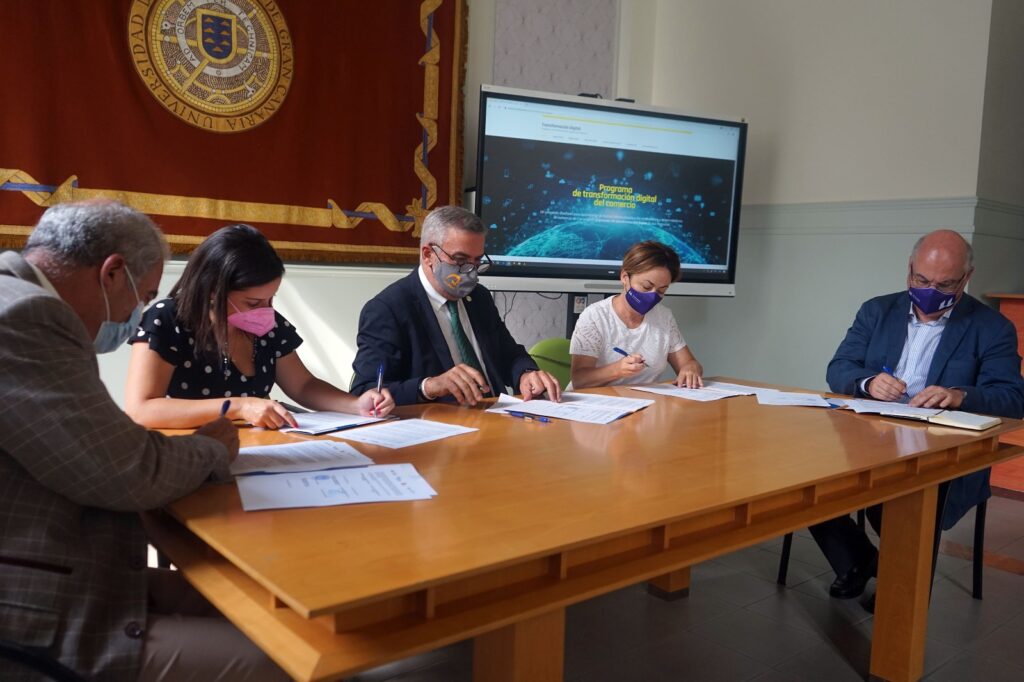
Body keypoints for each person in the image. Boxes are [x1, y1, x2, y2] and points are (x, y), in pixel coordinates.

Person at [0, 200, 286, 679]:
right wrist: (213, 447)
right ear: (113, 272)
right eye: (144, 294)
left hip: (71, 562)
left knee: (265, 607)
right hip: (34, 596)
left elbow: (99, 444)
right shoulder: (28, 314)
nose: (136, 314)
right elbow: (127, 469)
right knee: (285, 658)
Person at [811, 229, 1024, 604]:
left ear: (967, 277)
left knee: (901, 497)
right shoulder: (877, 311)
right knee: (808, 478)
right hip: (868, 435)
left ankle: (899, 592)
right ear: (909, 269)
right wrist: (868, 382)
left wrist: (959, 395)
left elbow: (1013, 398)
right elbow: (839, 367)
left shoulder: (991, 328)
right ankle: (859, 559)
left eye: (945, 284)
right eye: (922, 280)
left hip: (943, 448)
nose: (930, 291)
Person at [125, 224, 394, 428]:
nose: (266, 310)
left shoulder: (268, 325)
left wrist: (356, 404)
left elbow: (303, 385)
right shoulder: (167, 320)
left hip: (260, 450)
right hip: (192, 452)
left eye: (271, 299)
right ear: (213, 291)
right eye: (253, 302)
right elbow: (141, 409)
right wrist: (238, 407)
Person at [351, 205, 561, 406]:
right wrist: (429, 387)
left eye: (477, 262)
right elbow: (365, 391)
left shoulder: (479, 297)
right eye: (460, 260)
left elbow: (509, 355)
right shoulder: (388, 309)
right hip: (438, 422)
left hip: (496, 415)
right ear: (428, 254)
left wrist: (526, 374)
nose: (471, 272)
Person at [569, 240, 703, 389]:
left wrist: (690, 369)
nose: (652, 296)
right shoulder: (595, 316)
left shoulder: (664, 317)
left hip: (646, 401)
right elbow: (579, 380)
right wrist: (617, 370)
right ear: (624, 277)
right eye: (646, 286)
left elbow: (689, 363)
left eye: (661, 290)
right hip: (597, 401)